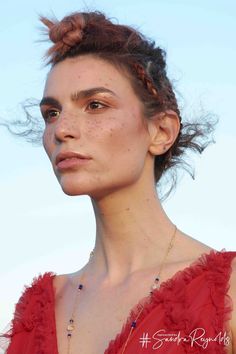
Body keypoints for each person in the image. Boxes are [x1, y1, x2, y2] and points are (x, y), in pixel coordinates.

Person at [0, 10, 235, 354]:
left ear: (161, 131)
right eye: (52, 112)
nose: (62, 129)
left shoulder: (227, 291)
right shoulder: (36, 310)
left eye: (95, 105)